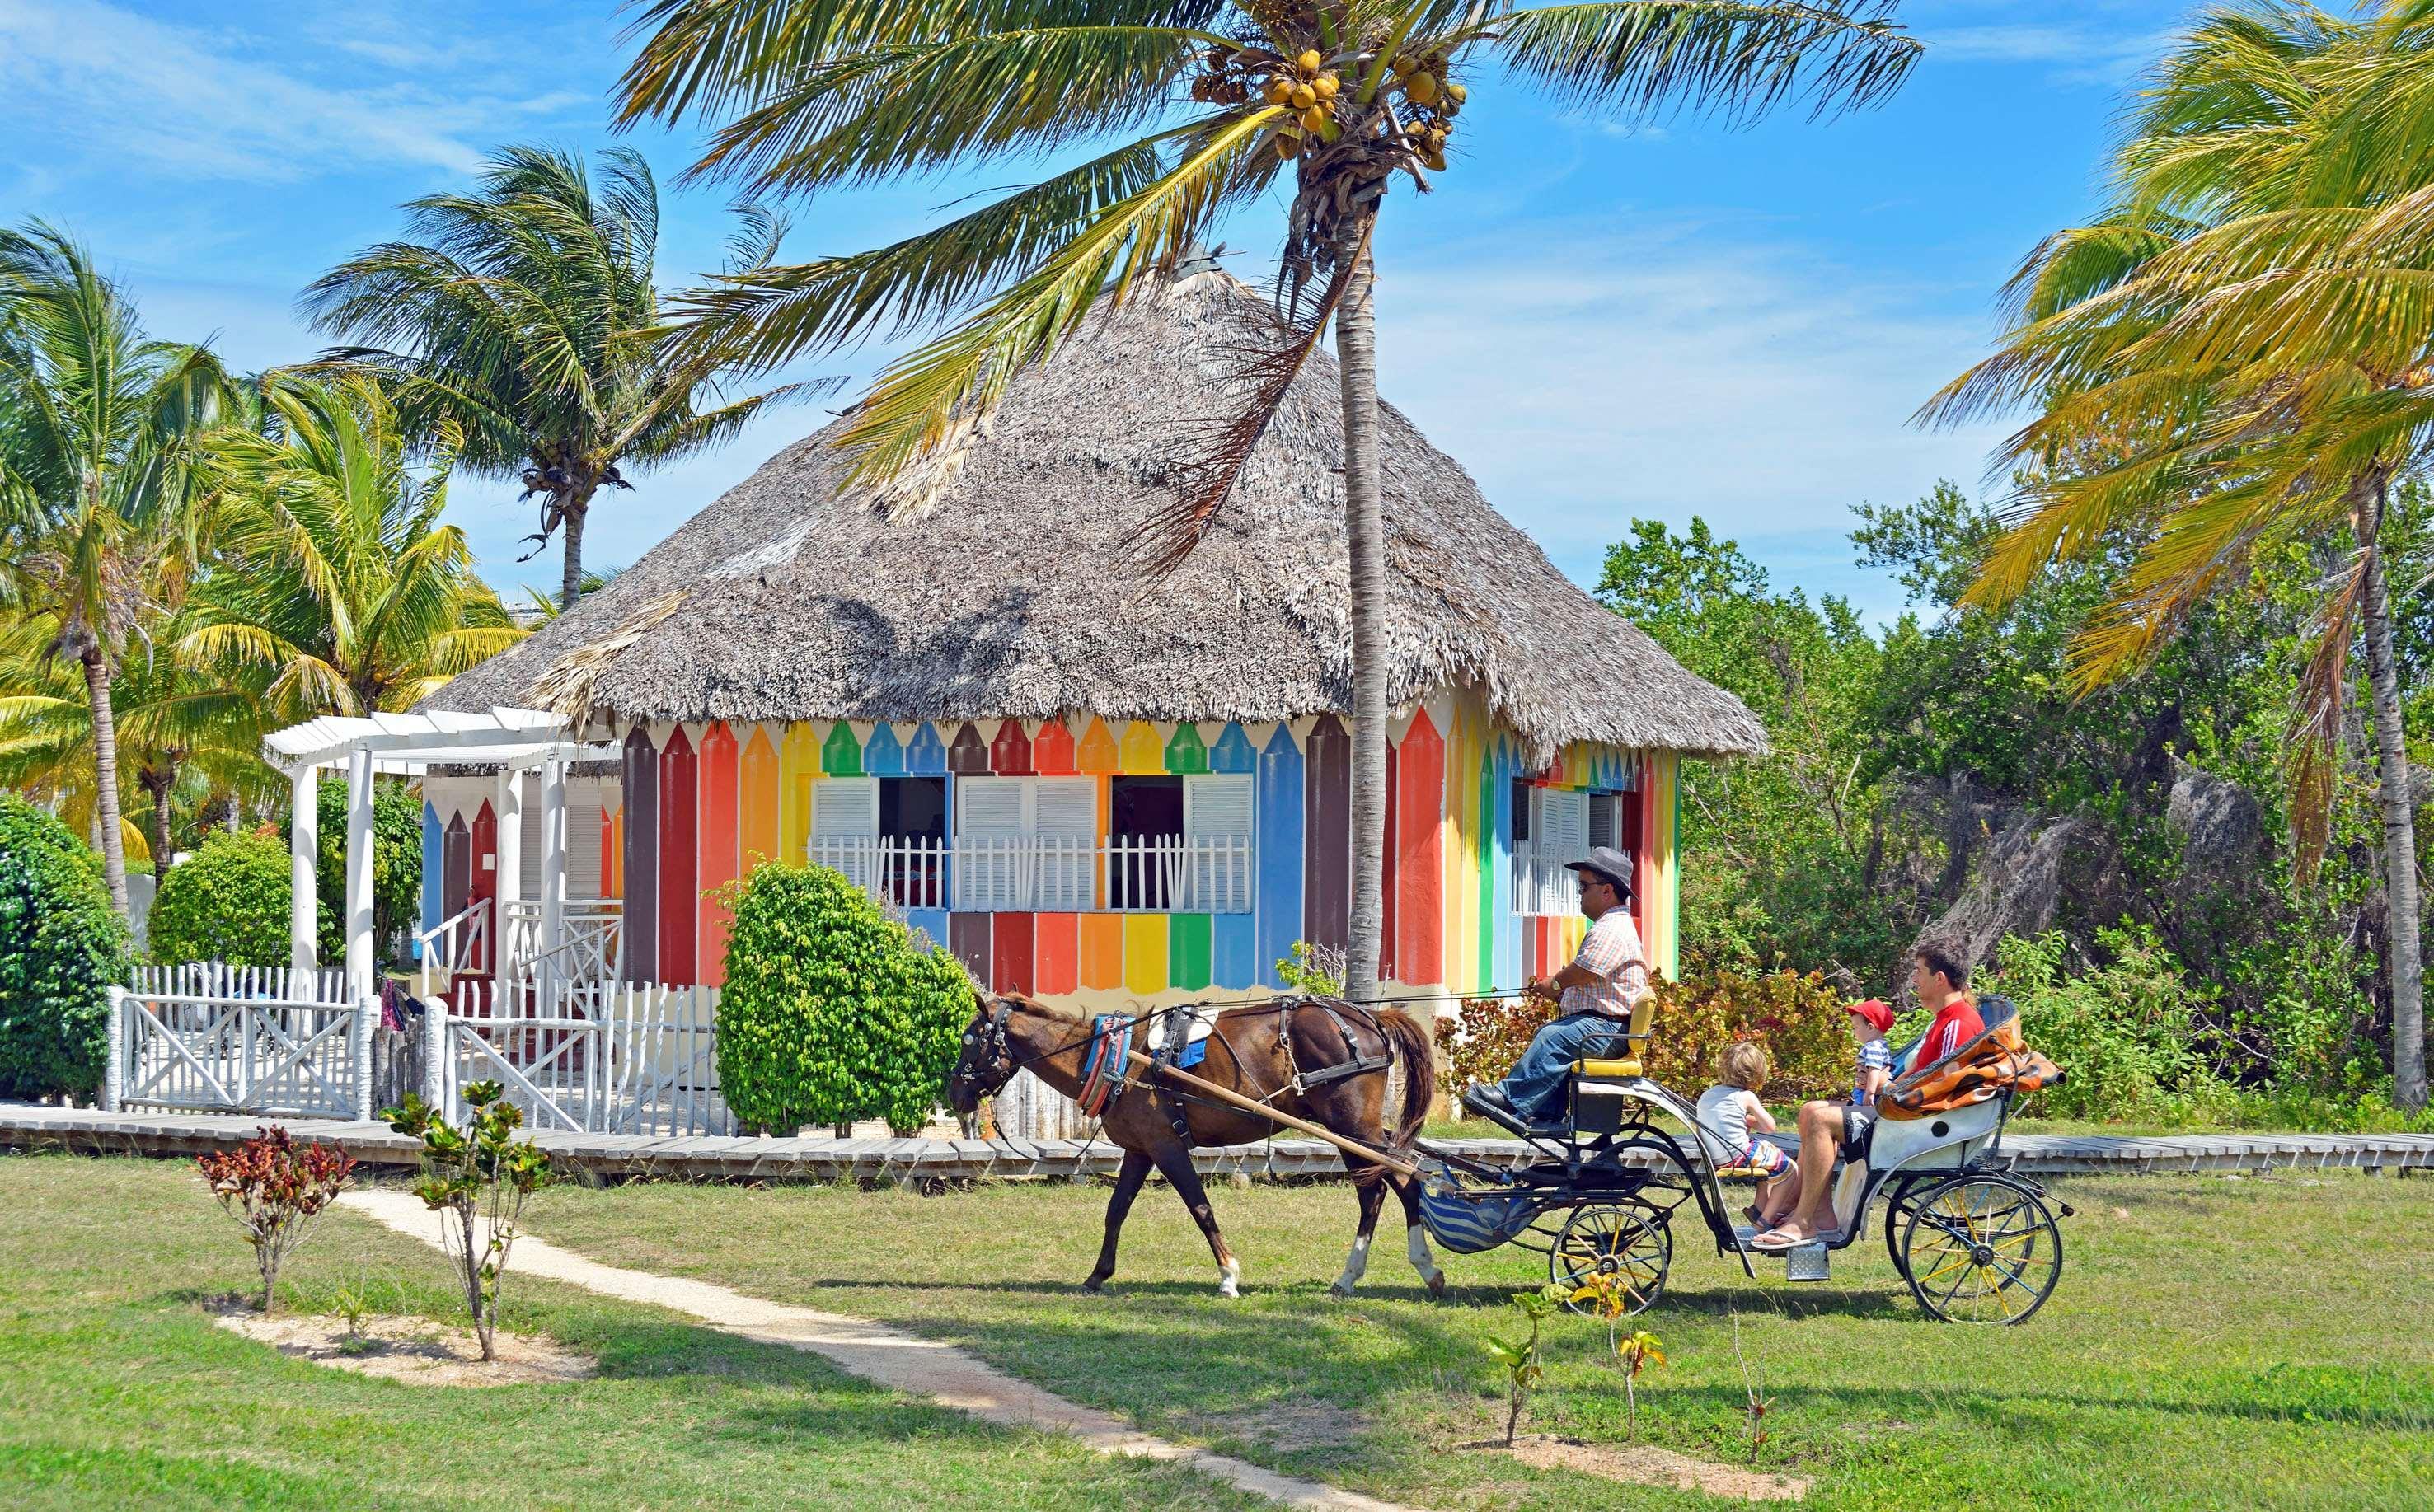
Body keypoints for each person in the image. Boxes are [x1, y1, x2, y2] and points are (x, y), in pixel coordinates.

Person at [1752, 939, 1984, 1250]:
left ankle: (1804, 1223)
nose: (1914, 979)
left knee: (1821, 1120)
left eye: (1918, 972)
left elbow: (1943, 1083)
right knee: (1810, 1110)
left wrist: (1887, 1086)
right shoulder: (1947, 1019)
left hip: (1913, 1122)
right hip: (1903, 1111)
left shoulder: (1957, 1022)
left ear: (1939, 978)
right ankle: (1811, 1212)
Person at [1464, 845, 1650, 1128]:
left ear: (1606, 891)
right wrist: (1559, 989)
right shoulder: (1612, 926)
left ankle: (1508, 1098)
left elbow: (1587, 970)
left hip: (1606, 1029)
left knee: (1554, 1038)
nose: (1580, 893)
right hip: (1603, 1025)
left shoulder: (1612, 929)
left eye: (1584, 886)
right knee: (1553, 1035)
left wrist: (1556, 982)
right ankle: (1548, 1114)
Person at [1750, 996, 1894, 1231]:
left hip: (1875, 1104)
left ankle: (1810, 1216)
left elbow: (1875, 1073)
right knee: (1810, 1109)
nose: (1853, 1030)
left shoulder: (1874, 1048)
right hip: (1872, 1100)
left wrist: (1869, 1096)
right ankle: (1795, 1200)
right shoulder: (1875, 1046)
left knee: (1820, 1118)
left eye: (1856, 1026)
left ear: (1870, 1026)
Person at [1696, 1042, 1793, 1226]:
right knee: (1790, 1169)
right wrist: (1752, 1119)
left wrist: (1745, 1120)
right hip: (1737, 1155)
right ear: (1756, 1073)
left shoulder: (1708, 1094)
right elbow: (1769, 1127)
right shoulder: (1746, 1096)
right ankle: (1766, 1219)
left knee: (1768, 1159)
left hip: (1716, 1157)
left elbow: (1720, 1121)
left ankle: (1758, 1208)